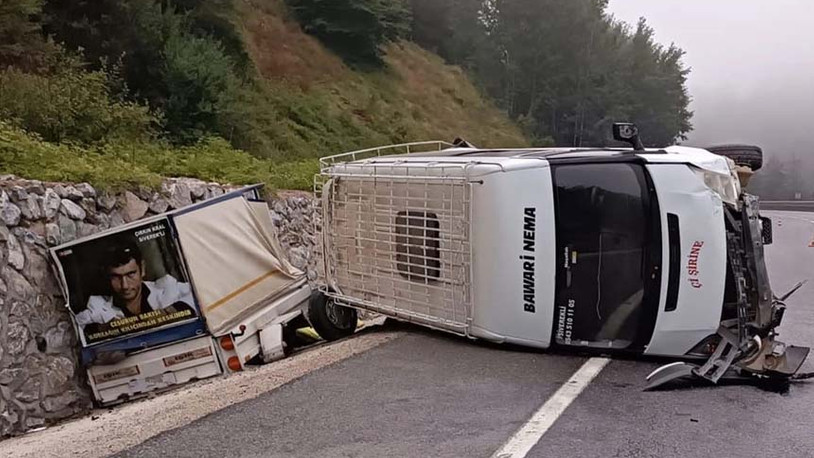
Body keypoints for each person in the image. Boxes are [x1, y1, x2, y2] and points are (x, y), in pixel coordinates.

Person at [75, 242, 196, 335]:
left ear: (142, 269)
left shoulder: (167, 288)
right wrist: (105, 328)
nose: (125, 285)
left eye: (130, 274)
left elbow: (200, 295)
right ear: (106, 276)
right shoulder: (98, 306)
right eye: (115, 277)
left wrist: (165, 314)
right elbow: (77, 327)